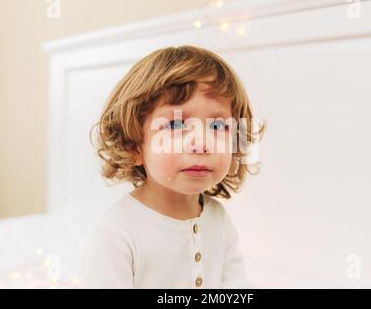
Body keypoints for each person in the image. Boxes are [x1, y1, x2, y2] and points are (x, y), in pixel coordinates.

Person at [82, 45, 266, 288]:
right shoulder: (118, 232)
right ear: (134, 146)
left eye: (218, 127)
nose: (201, 143)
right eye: (176, 124)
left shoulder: (218, 219)